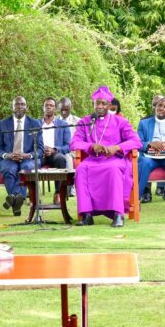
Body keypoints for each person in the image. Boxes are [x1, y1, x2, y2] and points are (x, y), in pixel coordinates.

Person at [71, 86, 142, 228]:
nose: (100, 106)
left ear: (109, 105)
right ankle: (86, 215)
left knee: (113, 169)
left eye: (103, 103)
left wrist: (117, 147)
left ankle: (118, 214)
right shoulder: (85, 122)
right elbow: (74, 142)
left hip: (114, 159)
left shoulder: (121, 122)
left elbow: (136, 141)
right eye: (97, 103)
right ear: (94, 104)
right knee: (81, 170)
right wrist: (90, 147)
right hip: (93, 160)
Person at [0, 96, 44, 216]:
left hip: (28, 159)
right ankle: (18, 198)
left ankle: (13, 198)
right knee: (8, 170)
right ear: (12, 107)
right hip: (10, 159)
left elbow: (40, 149)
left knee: (26, 169)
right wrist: (8, 155)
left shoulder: (35, 124)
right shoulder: (3, 124)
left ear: (26, 107)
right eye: (17, 104)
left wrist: (28, 155)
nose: (19, 106)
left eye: (22, 104)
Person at [40, 97, 71, 204]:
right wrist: (40, 150)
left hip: (55, 154)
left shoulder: (63, 125)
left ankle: (58, 193)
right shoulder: (36, 125)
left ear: (55, 108)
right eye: (46, 105)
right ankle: (33, 195)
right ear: (43, 108)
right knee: (31, 163)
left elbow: (68, 146)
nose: (49, 107)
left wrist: (54, 149)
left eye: (51, 105)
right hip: (40, 154)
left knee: (61, 159)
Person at [142, 94, 165, 201]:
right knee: (144, 160)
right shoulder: (144, 121)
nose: (158, 107)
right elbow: (139, 141)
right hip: (149, 152)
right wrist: (150, 144)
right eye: (155, 104)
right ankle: (146, 193)